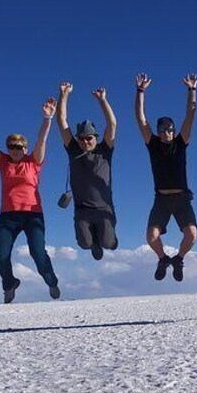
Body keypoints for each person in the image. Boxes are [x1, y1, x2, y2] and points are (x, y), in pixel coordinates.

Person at [0, 93, 61, 304]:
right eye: (11, 147)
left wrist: (47, 118)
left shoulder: (34, 162)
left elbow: (42, 139)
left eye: (19, 147)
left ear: (25, 148)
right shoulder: (2, 161)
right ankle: (9, 284)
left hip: (33, 215)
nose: (15, 150)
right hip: (8, 216)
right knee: (1, 254)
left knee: (37, 253)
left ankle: (51, 280)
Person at [135, 72, 197, 282]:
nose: (166, 133)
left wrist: (192, 90)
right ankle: (163, 259)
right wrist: (141, 91)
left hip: (181, 199)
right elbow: (140, 117)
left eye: (169, 129)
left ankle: (178, 259)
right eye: (162, 129)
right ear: (158, 131)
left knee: (192, 235)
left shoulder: (181, 143)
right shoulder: (152, 144)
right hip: (161, 199)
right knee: (151, 237)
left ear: (173, 130)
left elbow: (190, 115)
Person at [56, 82, 118, 261]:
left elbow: (112, 123)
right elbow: (61, 122)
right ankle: (94, 244)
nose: (85, 142)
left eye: (89, 138)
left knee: (109, 243)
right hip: (82, 210)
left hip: (104, 208)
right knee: (84, 244)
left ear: (95, 137)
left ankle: (107, 240)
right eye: (81, 138)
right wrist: (64, 94)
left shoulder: (105, 150)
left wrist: (102, 101)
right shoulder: (74, 151)